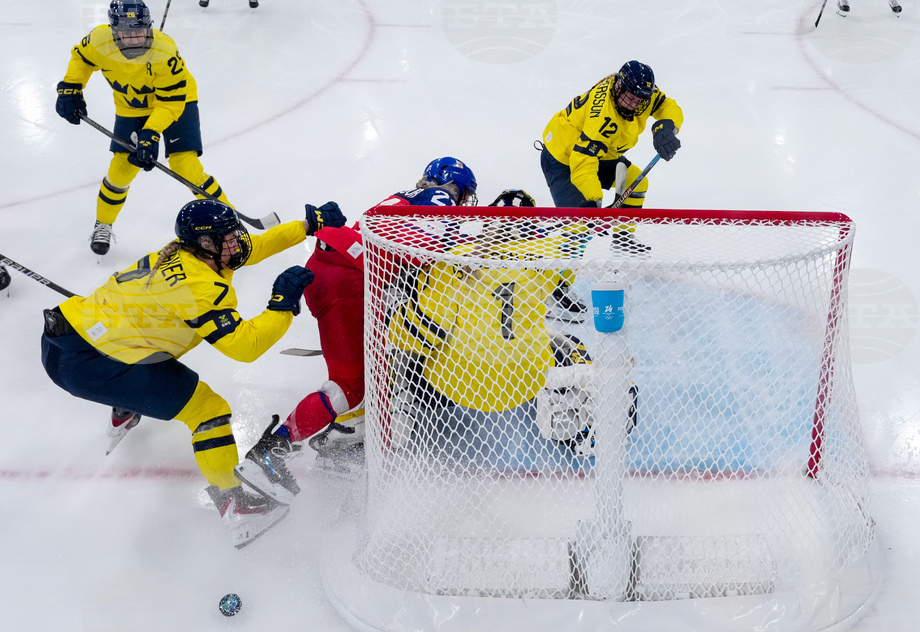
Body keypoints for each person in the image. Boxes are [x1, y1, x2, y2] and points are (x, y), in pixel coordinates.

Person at [39, 198, 346, 548]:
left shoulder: (191, 253)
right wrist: (281, 304)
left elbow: (255, 246)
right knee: (208, 411)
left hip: (79, 333)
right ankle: (235, 504)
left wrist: (307, 225)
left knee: (146, 352)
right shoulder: (200, 288)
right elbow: (245, 347)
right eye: (228, 237)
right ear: (206, 243)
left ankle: (126, 404)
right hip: (88, 362)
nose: (237, 241)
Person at [232, 158, 482, 503]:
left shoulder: (403, 197)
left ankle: (346, 436)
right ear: (452, 184)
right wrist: (469, 260)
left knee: (370, 370)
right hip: (349, 282)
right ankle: (270, 454)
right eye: (462, 192)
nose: (461, 200)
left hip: (328, 271)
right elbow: (432, 245)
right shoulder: (441, 197)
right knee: (348, 385)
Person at [384, 208, 636, 461]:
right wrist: (584, 228)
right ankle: (580, 429)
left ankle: (400, 407)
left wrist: (397, 309)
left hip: (454, 385)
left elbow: (423, 330)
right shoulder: (544, 256)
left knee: (408, 352)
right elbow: (567, 261)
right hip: (526, 382)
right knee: (570, 343)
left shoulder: (452, 259)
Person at [55, 1, 235, 256]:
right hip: (132, 107)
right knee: (121, 169)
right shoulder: (99, 40)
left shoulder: (165, 51)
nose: (133, 39)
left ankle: (229, 226)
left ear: (149, 27)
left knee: (186, 166)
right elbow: (82, 58)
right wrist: (71, 87)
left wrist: (150, 134)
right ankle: (103, 223)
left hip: (177, 102)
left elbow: (170, 102)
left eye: (139, 31)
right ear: (113, 30)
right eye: (125, 32)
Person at [538, 60, 684, 254]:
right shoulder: (602, 117)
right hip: (562, 159)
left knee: (637, 181)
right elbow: (583, 161)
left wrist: (667, 127)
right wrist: (593, 200)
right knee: (579, 228)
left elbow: (667, 105)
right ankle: (559, 273)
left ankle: (623, 240)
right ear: (619, 87)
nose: (634, 105)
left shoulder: (640, 92)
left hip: (598, 154)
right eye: (630, 98)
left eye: (639, 101)